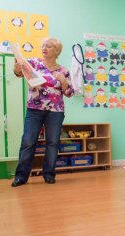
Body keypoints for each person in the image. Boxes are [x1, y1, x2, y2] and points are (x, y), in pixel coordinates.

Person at [12, 37, 74, 187]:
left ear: (57, 51)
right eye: (43, 46)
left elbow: (70, 93)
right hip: (34, 109)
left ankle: (49, 174)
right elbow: (20, 72)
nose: (44, 48)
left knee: (53, 142)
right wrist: (17, 69)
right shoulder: (34, 63)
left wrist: (64, 82)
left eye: (49, 46)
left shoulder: (64, 71)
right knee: (28, 141)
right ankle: (21, 176)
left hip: (56, 111)